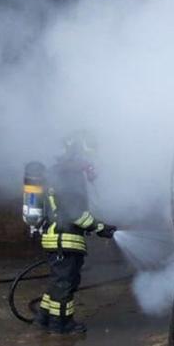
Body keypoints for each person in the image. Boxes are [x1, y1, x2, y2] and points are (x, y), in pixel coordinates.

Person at [35, 131, 116, 334]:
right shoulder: (70, 176)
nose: (90, 162)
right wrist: (100, 228)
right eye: (87, 157)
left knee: (58, 283)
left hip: (56, 237)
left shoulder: (57, 172)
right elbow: (75, 213)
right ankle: (61, 325)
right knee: (65, 284)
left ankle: (43, 318)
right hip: (65, 239)